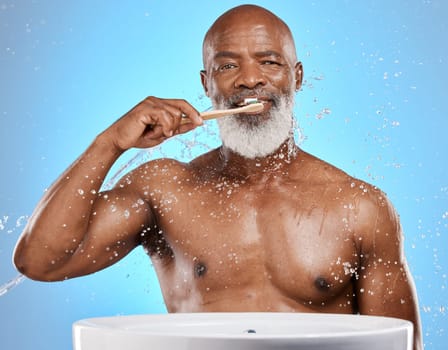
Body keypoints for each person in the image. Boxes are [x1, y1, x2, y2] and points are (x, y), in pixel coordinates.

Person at [13, 4, 422, 349]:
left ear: (296, 77)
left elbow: (398, 343)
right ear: (207, 85)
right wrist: (109, 143)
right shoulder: (164, 189)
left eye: (269, 62)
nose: (249, 79)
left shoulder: (359, 206)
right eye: (228, 65)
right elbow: (40, 262)